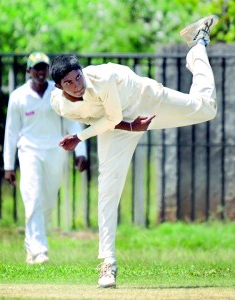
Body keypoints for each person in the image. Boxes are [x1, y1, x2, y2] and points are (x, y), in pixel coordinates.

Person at [50, 15, 218, 288]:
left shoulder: (102, 79)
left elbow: (112, 117)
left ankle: (197, 45)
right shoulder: (60, 105)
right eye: (68, 82)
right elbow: (106, 122)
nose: (76, 84)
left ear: (82, 71)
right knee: (108, 186)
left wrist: (79, 137)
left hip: (143, 99)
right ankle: (108, 264)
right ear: (60, 87)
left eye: (77, 76)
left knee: (206, 109)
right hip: (118, 125)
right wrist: (111, 129)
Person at [3, 52, 88, 265]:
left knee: (48, 201)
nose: (40, 72)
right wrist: (8, 165)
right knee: (32, 198)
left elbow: (71, 120)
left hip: (55, 151)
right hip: (29, 151)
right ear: (28, 71)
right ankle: (39, 250)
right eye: (36, 68)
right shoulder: (18, 96)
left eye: (44, 68)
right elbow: (11, 133)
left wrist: (81, 151)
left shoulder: (57, 92)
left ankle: (31, 243)